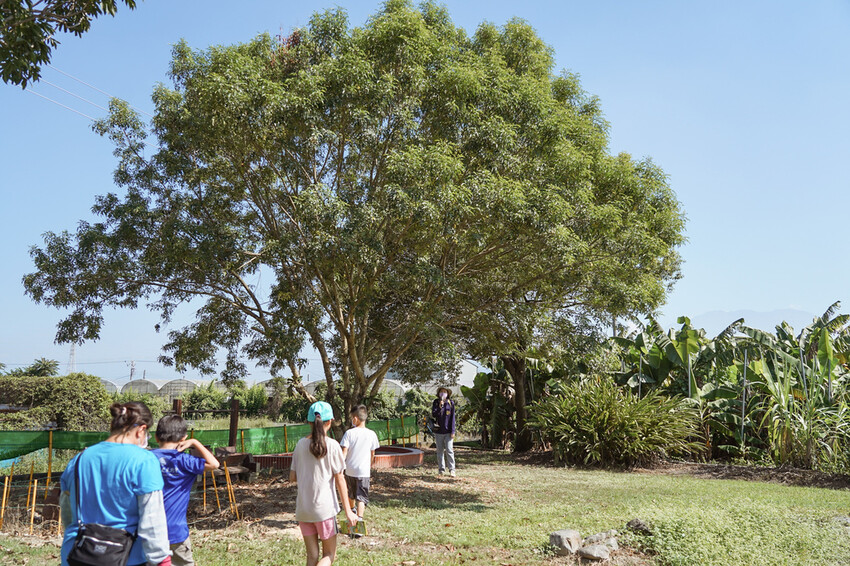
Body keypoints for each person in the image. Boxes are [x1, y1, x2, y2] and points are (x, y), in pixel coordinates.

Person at [60, 402, 172, 566]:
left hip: (77, 553)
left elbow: (67, 508)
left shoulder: (79, 459)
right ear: (141, 430)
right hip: (124, 556)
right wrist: (162, 559)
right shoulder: (144, 461)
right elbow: (152, 517)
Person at [290, 401, 359, 566]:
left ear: (309, 422)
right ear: (330, 421)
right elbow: (340, 479)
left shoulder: (300, 445)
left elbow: (292, 477)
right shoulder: (333, 446)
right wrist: (349, 511)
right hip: (324, 511)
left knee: (312, 557)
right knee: (329, 555)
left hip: (304, 510)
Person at [152, 414, 220, 566]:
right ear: (183, 438)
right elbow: (215, 464)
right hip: (175, 531)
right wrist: (195, 442)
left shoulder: (147, 459)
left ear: (156, 437)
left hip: (149, 530)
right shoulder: (184, 461)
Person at [339, 405, 380, 526]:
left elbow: (344, 452)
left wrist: (340, 467)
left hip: (350, 469)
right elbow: (373, 453)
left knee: (351, 493)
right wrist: (370, 464)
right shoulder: (372, 434)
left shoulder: (349, 433)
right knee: (361, 496)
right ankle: (360, 519)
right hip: (363, 471)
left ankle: (352, 513)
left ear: (356, 418)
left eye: (352, 418)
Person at [431, 386, 456, 477]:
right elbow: (434, 414)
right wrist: (439, 406)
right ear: (438, 393)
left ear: (448, 393)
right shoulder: (436, 402)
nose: (443, 393)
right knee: (440, 451)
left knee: (449, 450)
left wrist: (453, 431)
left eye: (445, 392)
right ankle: (441, 469)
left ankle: (452, 469)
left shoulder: (451, 403)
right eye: (441, 392)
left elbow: (453, 418)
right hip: (438, 431)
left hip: (448, 431)